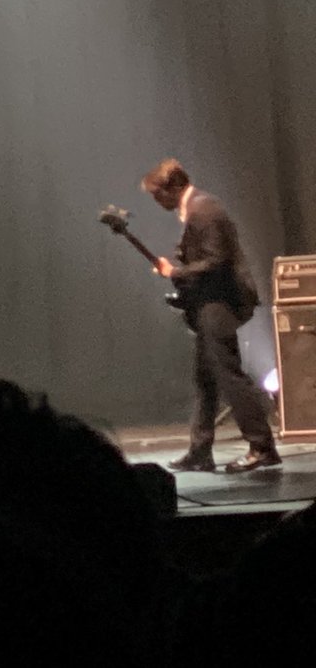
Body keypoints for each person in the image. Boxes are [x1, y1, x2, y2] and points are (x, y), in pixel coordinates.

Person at [140, 158, 279, 473]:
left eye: (158, 194)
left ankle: (262, 446)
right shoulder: (198, 209)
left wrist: (174, 271)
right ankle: (200, 451)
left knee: (229, 375)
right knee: (206, 379)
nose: (157, 201)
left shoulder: (204, 210)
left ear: (174, 186)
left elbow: (217, 260)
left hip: (221, 303)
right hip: (211, 302)